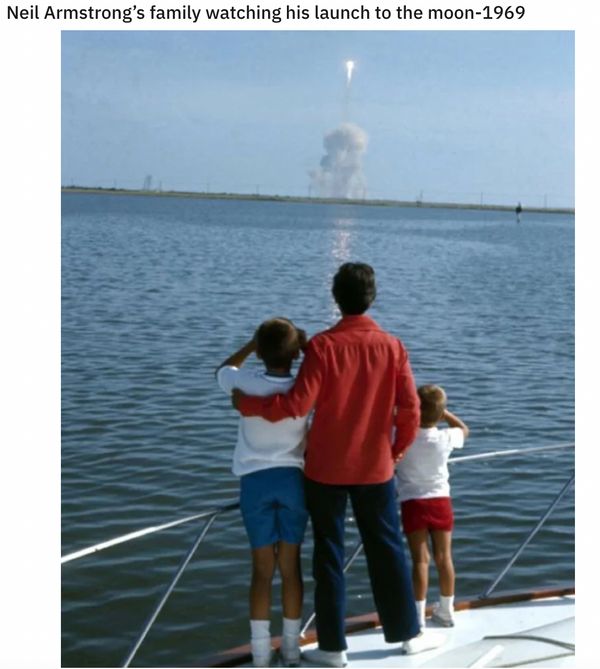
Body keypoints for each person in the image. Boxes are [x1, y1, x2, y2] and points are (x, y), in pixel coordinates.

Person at [233, 263, 445, 667]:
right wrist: (395, 453)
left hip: (325, 470)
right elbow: (411, 411)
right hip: (375, 469)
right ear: (372, 297)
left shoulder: (323, 348)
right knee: (387, 552)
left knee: (328, 554)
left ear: (336, 297)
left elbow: (297, 405)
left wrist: (248, 404)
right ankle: (406, 635)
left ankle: (332, 647)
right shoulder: (393, 346)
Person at [216, 318, 310, 667]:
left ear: (261, 350)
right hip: (293, 482)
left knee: (261, 571)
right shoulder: (304, 386)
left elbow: (222, 370)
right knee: (291, 569)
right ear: (295, 353)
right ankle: (290, 649)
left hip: (254, 484)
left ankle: (259, 655)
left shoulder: (244, 381)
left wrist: (250, 345)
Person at [395, 385, 469, 629]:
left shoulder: (403, 436)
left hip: (412, 502)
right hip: (440, 501)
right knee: (444, 557)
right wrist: (444, 414)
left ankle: (417, 617)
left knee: (420, 560)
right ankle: (446, 611)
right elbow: (464, 430)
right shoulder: (445, 437)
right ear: (438, 414)